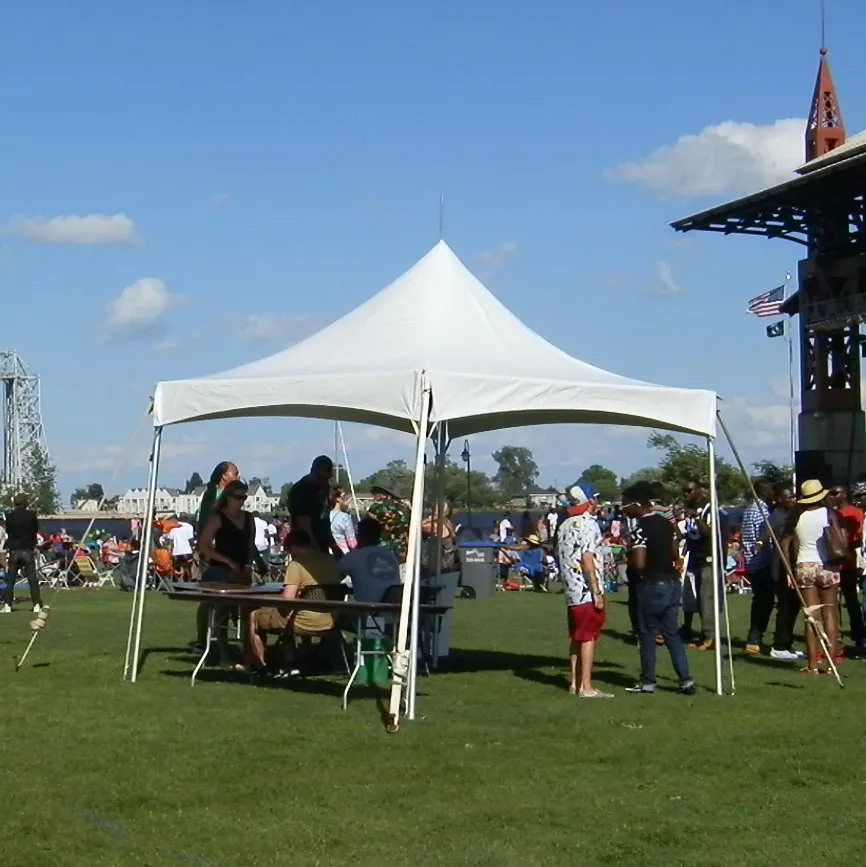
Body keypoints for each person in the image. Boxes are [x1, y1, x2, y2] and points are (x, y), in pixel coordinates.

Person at [623, 483, 695, 696]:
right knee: (672, 633)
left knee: (647, 634)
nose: (623, 510)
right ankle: (685, 680)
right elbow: (675, 549)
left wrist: (628, 557)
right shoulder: (665, 523)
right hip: (672, 582)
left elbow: (639, 563)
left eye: (625, 505)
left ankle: (647, 681)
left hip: (651, 585)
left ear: (637, 504)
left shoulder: (640, 529)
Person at [248, 528, 345, 671]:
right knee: (285, 616)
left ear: (292, 547)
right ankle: (290, 660)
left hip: (303, 620)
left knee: (254, 616)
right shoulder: (332, 561)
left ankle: (259, 665)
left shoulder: (297, 564)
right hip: (331, 620)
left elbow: (287, 600)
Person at [556, 481, 612, 698]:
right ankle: (586, 686)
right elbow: (587, 558)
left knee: (576, 637)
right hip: (585, 590)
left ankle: (574, 682)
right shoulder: (588, 524)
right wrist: (596, 590)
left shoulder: (565, 524)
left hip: (571, 590)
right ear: (589, 501)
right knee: (588, 637)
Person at [782, 479, 844, 674]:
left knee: (811, 617)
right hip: (826, 566)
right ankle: (830, 665)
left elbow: (786, 544)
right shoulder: (829, 513)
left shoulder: (796, 517)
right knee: (830, 615)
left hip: (804, 566)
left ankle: (812, 665)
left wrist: (788, 571)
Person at [196, 479, 255, 666]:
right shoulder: (217, 517)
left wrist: (252, 564)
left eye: (244, 497)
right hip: (220, 570)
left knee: (248, 613)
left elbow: (249, 544)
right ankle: (223, 653)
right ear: (228, 497)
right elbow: (203, 546)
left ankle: (249, 653)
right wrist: (227, 561)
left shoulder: (248, 518)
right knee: (221, 613)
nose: (242, 501)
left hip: (241, 571)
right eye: (238, 497)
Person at [826, 484, 865, 653]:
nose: (832, 496)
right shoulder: (830, 513)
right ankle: (834, 638)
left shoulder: (856, 513)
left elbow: (858, 540)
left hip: (849, 564)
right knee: (831, 603)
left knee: (852, 602)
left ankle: (859, 636)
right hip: (833, 564)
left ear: (845, 494)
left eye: (835, 493)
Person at [765, 487, 803, 661]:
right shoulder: (778, 517)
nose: (793, 499)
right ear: (780, 499)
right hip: (781, 568)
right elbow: (767, 533)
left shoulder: (789, 515)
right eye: (790, 497)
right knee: (786, 607)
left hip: (788, 567)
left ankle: (786, 643)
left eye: (795, 496)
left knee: (793, 607)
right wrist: (758, 543)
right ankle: (779, 645)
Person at [742, 479, 774, 653]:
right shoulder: (761, 510)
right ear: (764, 491)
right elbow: (766, 532)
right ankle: (754, 638)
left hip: (752, 561)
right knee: (764, 602)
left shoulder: (749, 509)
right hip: (761, 561)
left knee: (760, 601)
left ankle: (754, 638)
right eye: (770, 490)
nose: (773, 494)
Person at [289, 456, 342, 556]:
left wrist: (334, 547)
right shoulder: (301, 491)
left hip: (322, 544)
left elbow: (324, 523)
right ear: (312, 472)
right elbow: (305, 527)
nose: (324, 482)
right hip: (305, 547)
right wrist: (317, 554)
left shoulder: (324, 487)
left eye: (327, 479)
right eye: (321, 478)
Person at [339, 517, 400, 601]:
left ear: (359, 535)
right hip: (392, 607)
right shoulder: (391, 555)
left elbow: (337, 575)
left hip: (368, 607)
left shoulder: (353, 556)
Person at [2, 493, 43, 614]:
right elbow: (35, 530)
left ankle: (8, 604)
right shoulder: (31, 515)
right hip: (27, 549)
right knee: (32, 579)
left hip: (14, 549)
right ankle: (36, 604)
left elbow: (9, 531)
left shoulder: (9, 516)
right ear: (26, 502)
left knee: (11, 580)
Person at [366, 485, 411, 563]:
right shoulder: (405, 507)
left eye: (374, 493)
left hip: (382, 552)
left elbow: (366, 528)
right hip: (402, 552)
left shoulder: (376, 507)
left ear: (381, 493)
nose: (373, 496)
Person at [329, 487, 357, 555]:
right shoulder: (345, 517)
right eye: (344, 496)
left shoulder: (323, 516)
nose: (345, 499)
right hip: (343, 552)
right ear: (338, 499)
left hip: (327, 552)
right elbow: (351, 540)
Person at [166, 514, 195, 579]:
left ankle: (177, 584)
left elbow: (170, 541)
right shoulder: (189, 526)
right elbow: (191, 541)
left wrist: (169, 550)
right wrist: (193, 549)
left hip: (176, 552)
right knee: (187, 568)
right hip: (187, 551)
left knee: (176, 569)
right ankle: (188, 583)